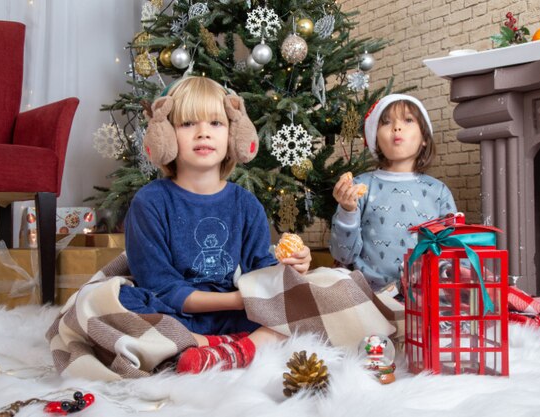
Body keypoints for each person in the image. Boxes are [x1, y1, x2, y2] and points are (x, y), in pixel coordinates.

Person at [118, 76, 312, 373]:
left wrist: (292, 269)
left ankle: (225, 350)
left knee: (311, 296)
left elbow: (260, 271)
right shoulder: (150, 202)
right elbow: (161, 288)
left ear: (234, 134)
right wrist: (238, 299)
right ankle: (218, 345)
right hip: (176, 313)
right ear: (166, 136)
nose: (203, 134)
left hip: (237, 313)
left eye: (216, 124)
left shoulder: (246, 205)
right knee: (114, 300)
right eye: (187, 124)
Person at [329, 94, 456, 291]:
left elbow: (453, 252)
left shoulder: (438, 192)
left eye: (408, 120)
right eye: (386, 122)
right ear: (375, 140)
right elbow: (343, 255)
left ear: (424, 138)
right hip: (369, 298)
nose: (397, 127)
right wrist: (347, 211)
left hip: (424, 297)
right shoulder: (359, 187)